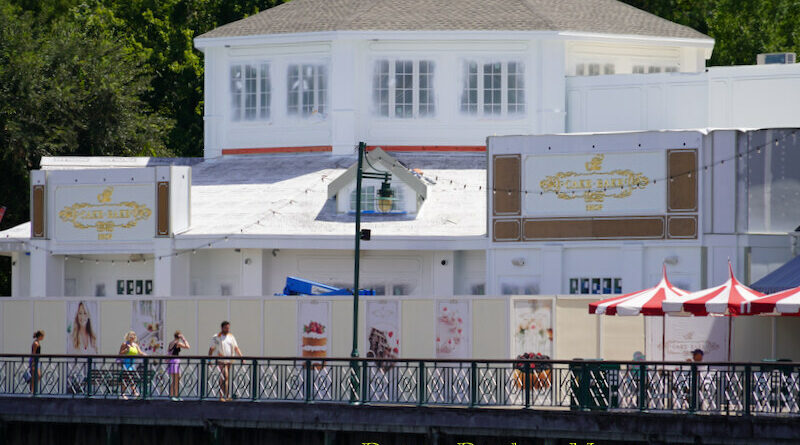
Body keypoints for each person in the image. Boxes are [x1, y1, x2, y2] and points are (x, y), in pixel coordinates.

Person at [208, 321, 242, 401]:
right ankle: (224, 395)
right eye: (226, 328)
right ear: (222, 328)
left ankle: (223, 395)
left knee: (224, 377)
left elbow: (236, 348)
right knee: (224, 376)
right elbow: (211, 349)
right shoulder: (217, 337)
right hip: (221, 360)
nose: (227, 329)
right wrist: (209, 360)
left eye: (228, 328)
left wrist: (241, 357)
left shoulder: (231, 337)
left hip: (229, 360)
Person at [119, 331, 146, 399]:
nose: (132, 337)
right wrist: (126, 350)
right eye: (131, 336)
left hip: (132, 364)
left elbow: (140, 352)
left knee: (132, 378)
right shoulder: (124, 344)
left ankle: (130, 392)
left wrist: (146, 355)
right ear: (128, 337)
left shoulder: (135, 345)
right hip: (126, 363)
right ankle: (127, 393)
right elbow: (120, 353)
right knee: (127, 378)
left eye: (133, 336)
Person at [167, 330, 190, 401]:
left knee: (175, 379)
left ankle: (172, 395)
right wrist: (183, 339)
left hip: (171, 361)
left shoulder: (170, 343)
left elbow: (168, 351)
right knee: (176, 379)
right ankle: (175, 396)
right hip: (175, 361)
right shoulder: (177, 343)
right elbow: (187, 346)